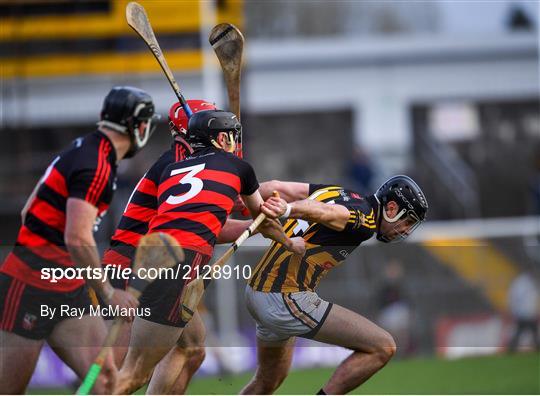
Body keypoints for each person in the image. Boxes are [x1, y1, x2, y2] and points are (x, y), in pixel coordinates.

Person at [114, 109, 306, 394]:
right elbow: (262, 219)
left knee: (192, 346)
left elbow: (192, 217)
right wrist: (290, 243)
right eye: (232, 136)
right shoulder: (238, 167)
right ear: (222, 137)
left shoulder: (171, 169)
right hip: (179, 265)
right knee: (133, 375)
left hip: (150, 257)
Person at [0, 86, 158, 393]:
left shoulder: (86, 149)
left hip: (68, 286)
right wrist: (108, 292)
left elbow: (27, 209)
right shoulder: (96, 164)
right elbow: (76, 236)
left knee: (104, 381)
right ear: (139, 126)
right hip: (31, 284)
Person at [100, 99, 256, 393]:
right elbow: (206, 227)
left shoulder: (186, 161)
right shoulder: (177, 163)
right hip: (134, 266)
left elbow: (209, 219)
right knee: (130, 372)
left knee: (193, 348)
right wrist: (259, 221)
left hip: (149, 265)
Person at [241, 175, 428, 395]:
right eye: (407, 221)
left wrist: (237, 198)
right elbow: (325, 212)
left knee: (266, 382)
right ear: (392, 207)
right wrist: (287, 210)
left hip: (255, 291)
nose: (406, 230)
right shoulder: (366, 221)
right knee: (383, 347)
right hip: (284, 298)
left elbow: (276, 187)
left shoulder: (338, 192)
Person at [507, 271, 539, 352]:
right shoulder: (522, 283)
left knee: (528, 332)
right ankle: (512, 348)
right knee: (525, 332)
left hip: (528, 313)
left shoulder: (529, 282)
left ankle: (512, 348)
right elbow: (515, 297)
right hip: (523, 313)